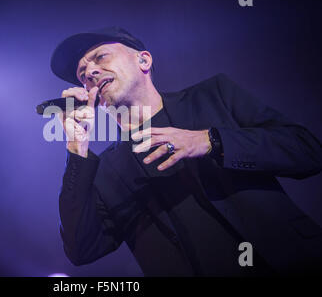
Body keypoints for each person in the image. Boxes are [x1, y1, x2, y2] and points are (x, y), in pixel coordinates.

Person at [49, 26, 322, 276]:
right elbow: (82, 249)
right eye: (82, 75)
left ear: (143, 60)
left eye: (100, 57)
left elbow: (307, 149)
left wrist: (211, 141)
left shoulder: (213, 96)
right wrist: (76, 147)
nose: (90, 73)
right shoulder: (104, 169)